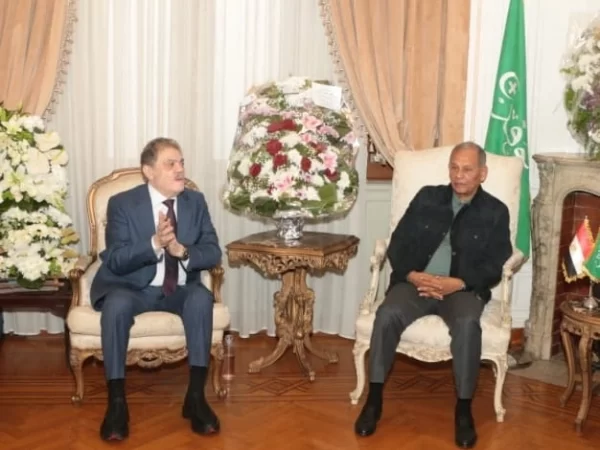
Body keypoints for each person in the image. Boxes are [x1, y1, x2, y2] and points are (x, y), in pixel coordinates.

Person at [354, 141, 512, 448]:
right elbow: (398, 244)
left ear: (482, 173)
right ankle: (374, 400)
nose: (459, 175)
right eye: (454, 168)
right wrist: (412, 275)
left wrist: (459, 283)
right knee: (387, 314)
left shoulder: (495, 211)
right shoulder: (427, 197)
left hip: (461, 290)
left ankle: (463, 409)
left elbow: (495, 264)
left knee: (467, 323)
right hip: (416, 283)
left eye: (467, 169)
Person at [90, 137, 222, 441]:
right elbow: (117, 259)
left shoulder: (195, 202)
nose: (180, 169)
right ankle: (117, 404)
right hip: (132, 287)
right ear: (149, 171)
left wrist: (181, 251)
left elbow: (213, 251)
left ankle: (196, 397)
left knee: (201, 298)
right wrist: (154, 243)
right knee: (115, 306)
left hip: (178, 289)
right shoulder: (123, 203)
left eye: (181, 162)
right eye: (170, 163)